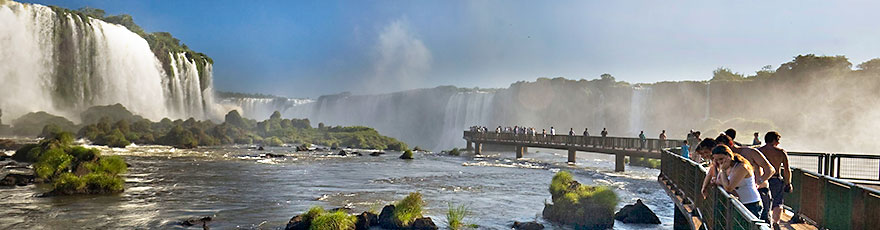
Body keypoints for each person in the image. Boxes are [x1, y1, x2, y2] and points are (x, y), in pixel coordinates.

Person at [718, 133, 775, 224]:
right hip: (741, 197)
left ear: (731, 144)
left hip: (760, 191)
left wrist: (759, 181)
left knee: (764, 223)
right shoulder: (728, 161)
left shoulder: (750, 152)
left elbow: (770, 170)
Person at [711, 145, 763, 218]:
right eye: (717, 160)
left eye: (721, 159)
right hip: (739, 204)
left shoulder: (741, 166)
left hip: (751, 204)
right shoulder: (726, 166)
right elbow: (718, 180)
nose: (720, 162)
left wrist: (722, 171)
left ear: (729, 155)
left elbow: (728, 187)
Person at [757, 131, 791, 230]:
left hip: (762, 180)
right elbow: (787, 169)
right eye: (778, 140)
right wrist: (788, 183)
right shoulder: (781, 152)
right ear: (774, 140)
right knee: (778, 203)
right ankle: (776, 222)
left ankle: (765, 222)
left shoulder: (759, 151)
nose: (779, 143)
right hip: (776, 179)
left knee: (764, 201)